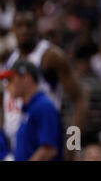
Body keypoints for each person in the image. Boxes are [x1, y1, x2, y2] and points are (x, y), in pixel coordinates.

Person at [1, 9, 88, 153]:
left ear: (37, 28)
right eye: (20, 25)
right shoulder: (11, 59)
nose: (24, 30)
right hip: (16, 142)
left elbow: (80, 99)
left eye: (29, 25)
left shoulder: (50, 56)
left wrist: (73, 145)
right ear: (13, 29)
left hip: (43, 141)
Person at [0, 60, 63, 161]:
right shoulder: (29, 108)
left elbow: (49, 150)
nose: (7, 85)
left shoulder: (43, 106)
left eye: (11, 80)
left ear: (27, 78)